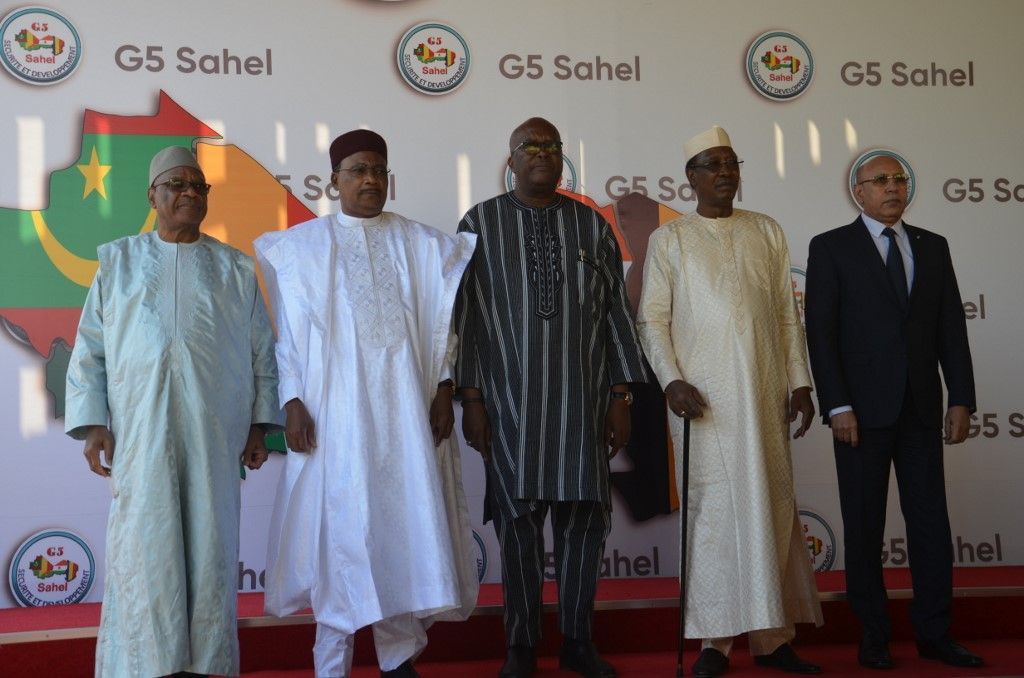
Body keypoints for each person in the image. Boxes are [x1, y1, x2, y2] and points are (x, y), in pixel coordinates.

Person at [257, 129, 479, 678]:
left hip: (405, 414)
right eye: (358, 170)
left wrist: (444, 388)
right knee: (342, 534)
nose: (371, 179)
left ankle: (398, 657)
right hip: (336, 416)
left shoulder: (420, 243)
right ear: (334, 180)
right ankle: (332, 663)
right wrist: (292, 400)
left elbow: (443, 328)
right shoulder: (304, 247)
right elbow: (289, 337)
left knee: (401, 529)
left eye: (379, 169)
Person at [65, 145, 282, 677]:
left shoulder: (235, 268)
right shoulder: (118, 262)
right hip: (141, 432)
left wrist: (260, 425)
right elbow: (90, 348)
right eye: (176, 185)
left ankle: (205, 665)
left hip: (215, 434)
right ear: (152, 196)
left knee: (210, 547)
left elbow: (262, 350)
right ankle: (144, 664)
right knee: (145, 547)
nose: (189, 193)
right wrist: (93, 424)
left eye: (198, 186)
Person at [454, 117, 646, 678]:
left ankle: (578, 641)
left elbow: (616, 315)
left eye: (551, 146)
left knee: (584, 524)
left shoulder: (590, 225)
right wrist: (472, 400)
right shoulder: (479, 224)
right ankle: (519, 645)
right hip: (509, 408)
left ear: (563, 158)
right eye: (529, 146)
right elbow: (464, 320)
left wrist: (620, 395)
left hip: (581, 406)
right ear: (511, 159)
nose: (541, 154)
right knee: (516, 528)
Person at [636, 126, 823, 677]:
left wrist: (800, 381)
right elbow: (652, 320)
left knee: (773, 509)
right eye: (712, 165)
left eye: (732, 163)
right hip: (703, 404)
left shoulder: (766, 230)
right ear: (690, 177)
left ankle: (772, 638)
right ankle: (714, 643)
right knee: (713, 518)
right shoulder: (670, 240)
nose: (725, 173)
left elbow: (787, 316)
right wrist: (671, 381)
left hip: (764, 396)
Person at [804, 153, 982, 670]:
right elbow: (821, 333)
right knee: (864, 526)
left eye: (899, 179)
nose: (892, 187)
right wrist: (837, 403)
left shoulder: (932, 245)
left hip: (921, 410)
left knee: (930, 525)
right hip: (858, 415)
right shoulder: (831, 247)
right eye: (880, 180)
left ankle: (935, 634)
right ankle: (874, 635)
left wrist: (961, 397)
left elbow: (951, 328)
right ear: (858, 191)